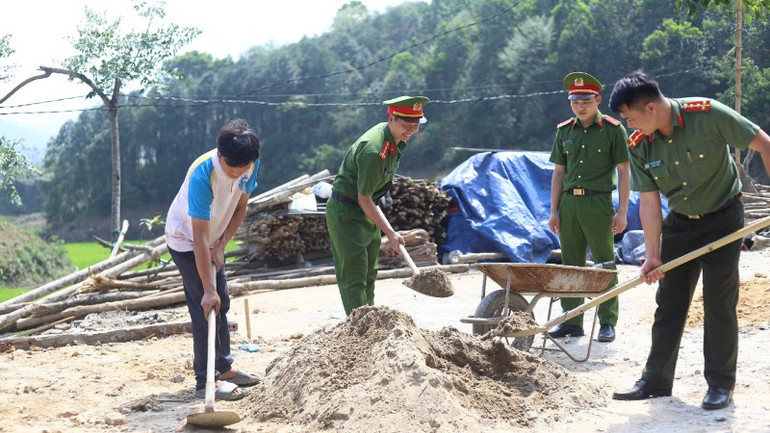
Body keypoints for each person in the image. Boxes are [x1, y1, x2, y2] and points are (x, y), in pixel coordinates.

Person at [608, 71, 770, 410]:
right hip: (680, 225)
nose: (630, 126)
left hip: (724, 219)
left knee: (718, 302)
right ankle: (655, 380)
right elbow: (650, 202)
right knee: (669, 302)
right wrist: (652, 256)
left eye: (631, 118)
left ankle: (720, 385)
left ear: (650, 108)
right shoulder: (639, 145)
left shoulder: (708, 114)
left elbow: (763, 143)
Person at [165, 118, 263, 401]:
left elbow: (241, 206)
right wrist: (208, 289)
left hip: (213, 237)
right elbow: (197, 237)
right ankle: (205, 382)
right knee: (206, 307)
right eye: (232, 169)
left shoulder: (248, 162)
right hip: (186, 241)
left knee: (223, 302)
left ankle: (224, 368)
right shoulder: (202, 175)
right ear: (220, 155)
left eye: (243, 169)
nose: (237, 175)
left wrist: (221, 244)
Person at [326, 95, 429, 315]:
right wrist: (390, 232)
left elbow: (369, 198)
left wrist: (386, 229)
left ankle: (369, 322)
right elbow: (364, 198)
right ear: (391, 118)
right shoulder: (374, 151)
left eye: (416, 125)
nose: (410, 130)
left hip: (366, 211)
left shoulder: (394, 139)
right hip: (347, 213)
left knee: (368, 274)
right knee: (354, 277)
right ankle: (358, 331)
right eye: (406, 125)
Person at [547, 72, 630, 343]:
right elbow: (559, 173)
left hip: (598, 202)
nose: (580, 106)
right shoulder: (564, 131)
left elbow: (624, 170)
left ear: (597, 99)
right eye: (575, 101)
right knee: (571, 264)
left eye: (585, 101)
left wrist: (622, 211)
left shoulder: (613, 129)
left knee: (605, 263)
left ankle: (607, 322)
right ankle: (572, 322)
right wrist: (553, 211)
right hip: (569, 204)